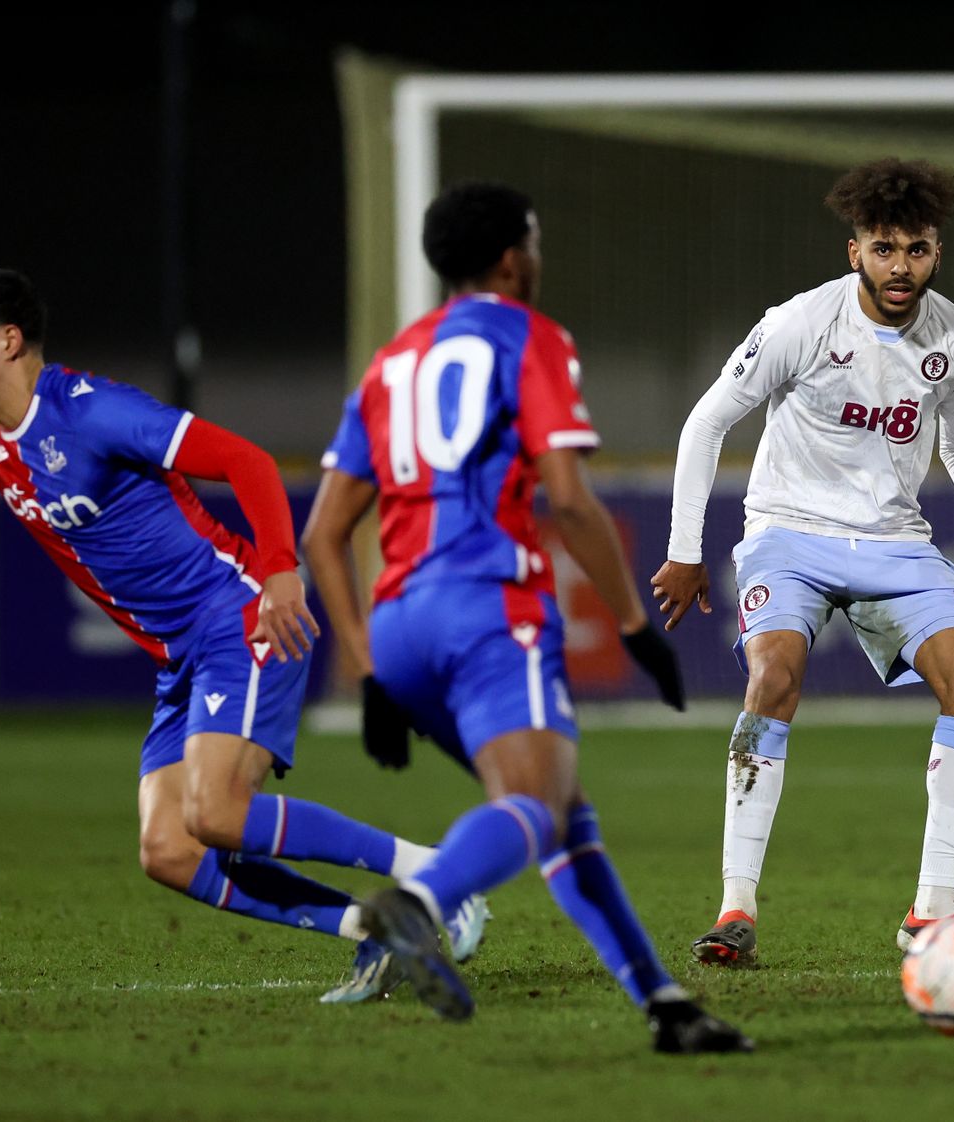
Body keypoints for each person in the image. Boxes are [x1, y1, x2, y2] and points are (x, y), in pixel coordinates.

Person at [0, 270, 486, 1003]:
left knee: (217, 812)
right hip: (180, 659)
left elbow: (247, 462)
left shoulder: (95, 413)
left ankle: (437, 874)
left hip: (239, 618)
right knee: (169, 849)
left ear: (7, 341)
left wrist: (279, 571)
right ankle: (376, 929)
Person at [301, 182, 751, 1053]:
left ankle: (664, 1005)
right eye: (535, 245)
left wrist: (365, 671)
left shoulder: (392, 361)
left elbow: (323, 535)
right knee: (537, 808)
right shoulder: (530, 337)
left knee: (561, 814)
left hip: (397, 626)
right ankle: (418, 905)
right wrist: (631, 624)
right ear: (513, 258)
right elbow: (571, 503)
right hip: (487, 614)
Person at [650, 158, 954, 966]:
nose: (903, 268)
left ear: (937, 252)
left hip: (896, 541)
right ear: (854, 249)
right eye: (886, 248)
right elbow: (705, 425)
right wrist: (685, 553)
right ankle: (737, 909)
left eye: (919, 250)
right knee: (774, 678)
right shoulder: (799, 323)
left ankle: (932, 914)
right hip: (789, 533)